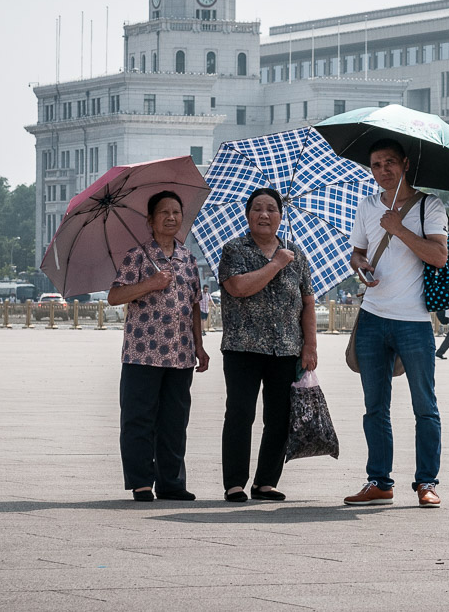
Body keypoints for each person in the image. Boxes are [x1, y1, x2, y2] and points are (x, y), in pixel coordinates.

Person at [344, 138, 449, 509]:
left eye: (389, 162)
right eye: (376, 164)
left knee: (425, 405)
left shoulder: (429, 206)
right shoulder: (368, 206)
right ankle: (379, 481)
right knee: (375, 406)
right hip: (373, 316)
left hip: (414, 320)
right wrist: (361, 265)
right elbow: (357, 251)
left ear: (404, 163)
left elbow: (438, 255)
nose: (383, 170)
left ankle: (427, 482)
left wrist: (400, 228)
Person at [109, 190, 209, 502]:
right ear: (150, 221)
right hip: (142, 353)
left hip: (180, 354)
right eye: (163, 213)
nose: (170, 218)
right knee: (138, 419)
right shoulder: (136, 256)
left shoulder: (188, 259)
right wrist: (150, 283)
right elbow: (115, 296)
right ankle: (141, 482)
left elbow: (194, 305)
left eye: (176, 213)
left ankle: (172, 482)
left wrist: (199, 345)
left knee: (174, 421)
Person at [217, 187, 317, 503]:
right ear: (248, 215)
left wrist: (310, 345)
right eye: (257, 208)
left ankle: (265, 482)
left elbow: (307, 300)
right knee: (240, 413)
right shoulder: (234, 250)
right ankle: (234, 483)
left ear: (280, 216)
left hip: (286, 349)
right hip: (242, 348)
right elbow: (238, 288)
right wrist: (275, 264)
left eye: (271, 209)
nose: (264, 214)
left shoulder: (296, 253)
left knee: (280, 417)